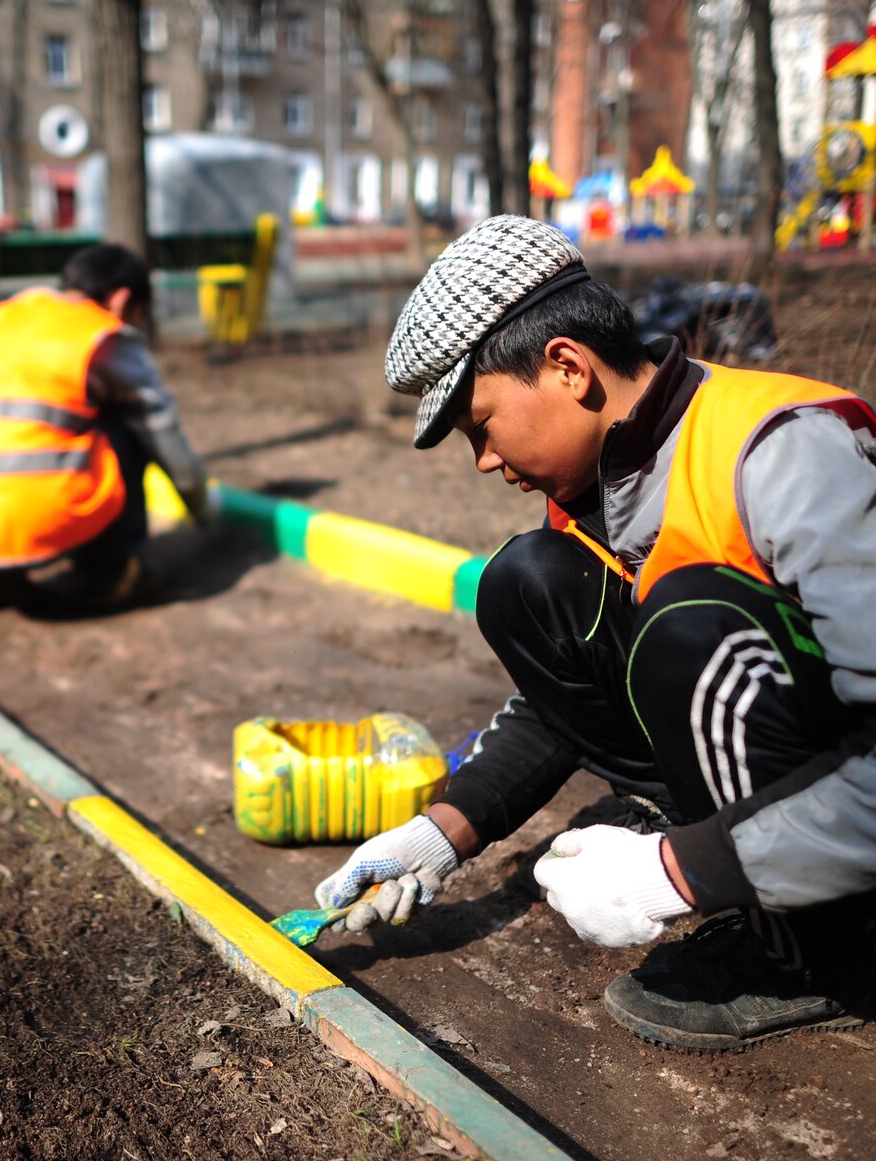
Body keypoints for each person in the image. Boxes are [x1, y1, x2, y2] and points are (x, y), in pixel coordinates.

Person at [313, 214, 876, 1052]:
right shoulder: (600, 489)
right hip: (786, 768)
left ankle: (820, 954)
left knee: (687, 625)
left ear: (567, 368)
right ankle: (730, 855)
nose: (484, 461)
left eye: (481, 426)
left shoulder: (783, 455)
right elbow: (556, 705)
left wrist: (674, 876)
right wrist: (444, 831)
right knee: (526, 583)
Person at [0, 244, 210, 613]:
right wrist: (202, 509)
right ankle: (113, 571)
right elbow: (163, 433)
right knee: (124, 421)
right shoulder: (99, 335)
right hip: (36, 508)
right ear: (123, 301)